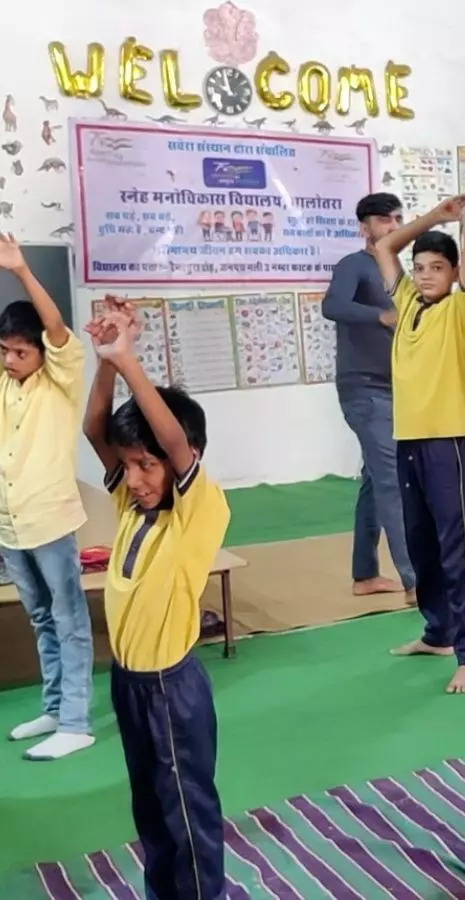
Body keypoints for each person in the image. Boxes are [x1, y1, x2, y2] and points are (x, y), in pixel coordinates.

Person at [82, 299, 233, 900]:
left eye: (148, 465)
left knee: (186, 813)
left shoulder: (196, 511)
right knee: (149, 807)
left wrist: (130, 361)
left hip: (172, 688)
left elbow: (172, 444)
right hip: (130, 683)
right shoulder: (130, 505)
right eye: (130, 466)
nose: (138, 477)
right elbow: (97, 430)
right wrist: (106, 363)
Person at [372, 194, 465, 695]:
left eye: (436, 268)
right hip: (408, 441)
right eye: (419, 268)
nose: (423, 275)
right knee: (419, 543)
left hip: (447, 443)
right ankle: (437, 633)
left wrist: (462, 217)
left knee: (454, 546)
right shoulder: (406, 302)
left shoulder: (462, 309)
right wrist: (433, 217)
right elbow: (383, 245)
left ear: (454, 272)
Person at [0, 233, 94, 760]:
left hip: (51, 520)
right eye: (5, 351)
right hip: (11, 525)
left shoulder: (60, 377)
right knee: (40, 618)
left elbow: (54, 328)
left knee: (69, 618)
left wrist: (20, 271)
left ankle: (77, 722)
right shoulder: (4, 382)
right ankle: (56, 707)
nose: (11, 360)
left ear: (41, 352)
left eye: (21, 352)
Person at [322, 192, 415, 603]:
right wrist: (378, 315)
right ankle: (416, 580)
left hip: (396, 388)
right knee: (394, 480)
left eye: (398, 218)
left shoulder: (400, 274)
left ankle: (365, 575)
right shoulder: (354, 266)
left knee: (375, 481)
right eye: (385, 220)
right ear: (365, 227)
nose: (394, 226)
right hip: (364, 389)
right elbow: (332, 305)